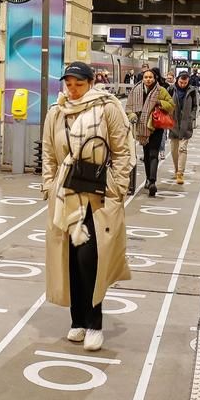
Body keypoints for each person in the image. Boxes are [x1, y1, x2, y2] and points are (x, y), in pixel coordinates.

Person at [42, 61, 133, 352]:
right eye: (68, 83)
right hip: (64, 196)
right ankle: (77, 321)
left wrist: (117, 189)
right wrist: (48, 185)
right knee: (70, 259)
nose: (72, 89)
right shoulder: (56, 113)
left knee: (91, 259)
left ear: (91, 82)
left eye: (78, 84)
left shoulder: (107, 108)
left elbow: (121, 151)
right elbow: (48, 153)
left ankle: (94, 323)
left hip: (97, 195)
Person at [125, 68, 174, 197]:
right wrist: (132, 116)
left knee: (153, 153)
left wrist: (159, 102)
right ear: (143, 78)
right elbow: (129, 108)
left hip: (156, 127)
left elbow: (171, 104)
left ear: (155, 78)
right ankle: (148, 179)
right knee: (146, 154)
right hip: (142, 128)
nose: (148, 79)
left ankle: (152, 181)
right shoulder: (136, 90)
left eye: (150, 77)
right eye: (146, 77)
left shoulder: (161, 91)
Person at [169, 71, 199, 185]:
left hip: (186, 125)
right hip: (173, 124)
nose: (182, 84)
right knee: (173, 150)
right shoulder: (172, 90)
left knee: (182, 149)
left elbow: (195, 106)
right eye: (181, 82)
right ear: (177, 80)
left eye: (185, 82)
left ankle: (180, 173)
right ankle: (177, 169)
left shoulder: (191, 91)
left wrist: (191, 117)